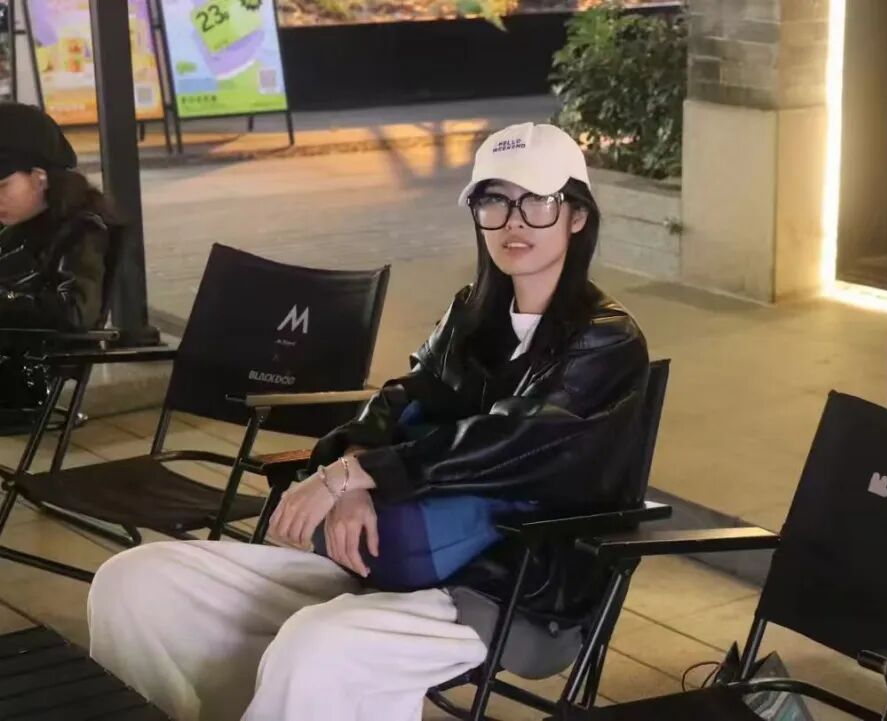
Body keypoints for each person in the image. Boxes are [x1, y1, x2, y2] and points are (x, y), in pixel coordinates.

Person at [87, 122, 650, 721]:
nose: (514, 222)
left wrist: (356, 477)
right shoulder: (471, 313)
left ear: (577, 216)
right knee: (135, 580)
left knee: (319, 647)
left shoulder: (607, 341)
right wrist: (353, 473)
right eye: (495, 201)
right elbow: (397, 401)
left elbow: (512, 441)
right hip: (391, 556)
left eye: (537, 202)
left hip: (509, 586)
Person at [0, 102, 117, 430]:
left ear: (39, 178)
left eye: (2, 187)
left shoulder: (81, 230)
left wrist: (6, 301)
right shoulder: (20, 224)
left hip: (25, 369)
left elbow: (75, 311)